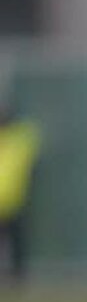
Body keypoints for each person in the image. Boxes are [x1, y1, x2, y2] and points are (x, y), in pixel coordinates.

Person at [0, 101, 41, 285]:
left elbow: (31, 134)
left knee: (17, 243)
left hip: (13, 201)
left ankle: (18, 278)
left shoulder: (19, 138)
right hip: (11, 200)